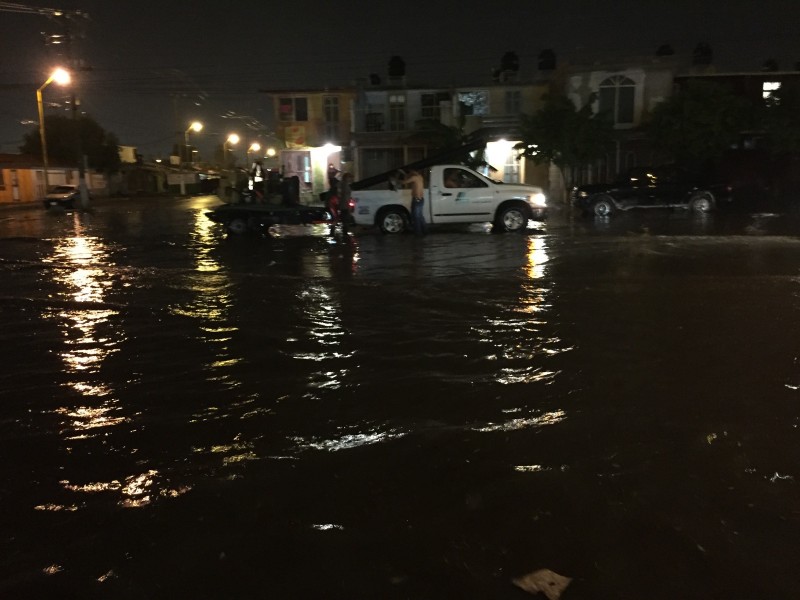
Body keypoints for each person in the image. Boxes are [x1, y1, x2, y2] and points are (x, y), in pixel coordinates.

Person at [402, 169, 426, 235]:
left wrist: (396, 180)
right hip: (420, 199)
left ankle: (418, 233)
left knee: (416, 217)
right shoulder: (420, 177)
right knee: (420, 216)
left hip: (416, 199)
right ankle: (424, 231)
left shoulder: (414, 178)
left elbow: (404, 182)